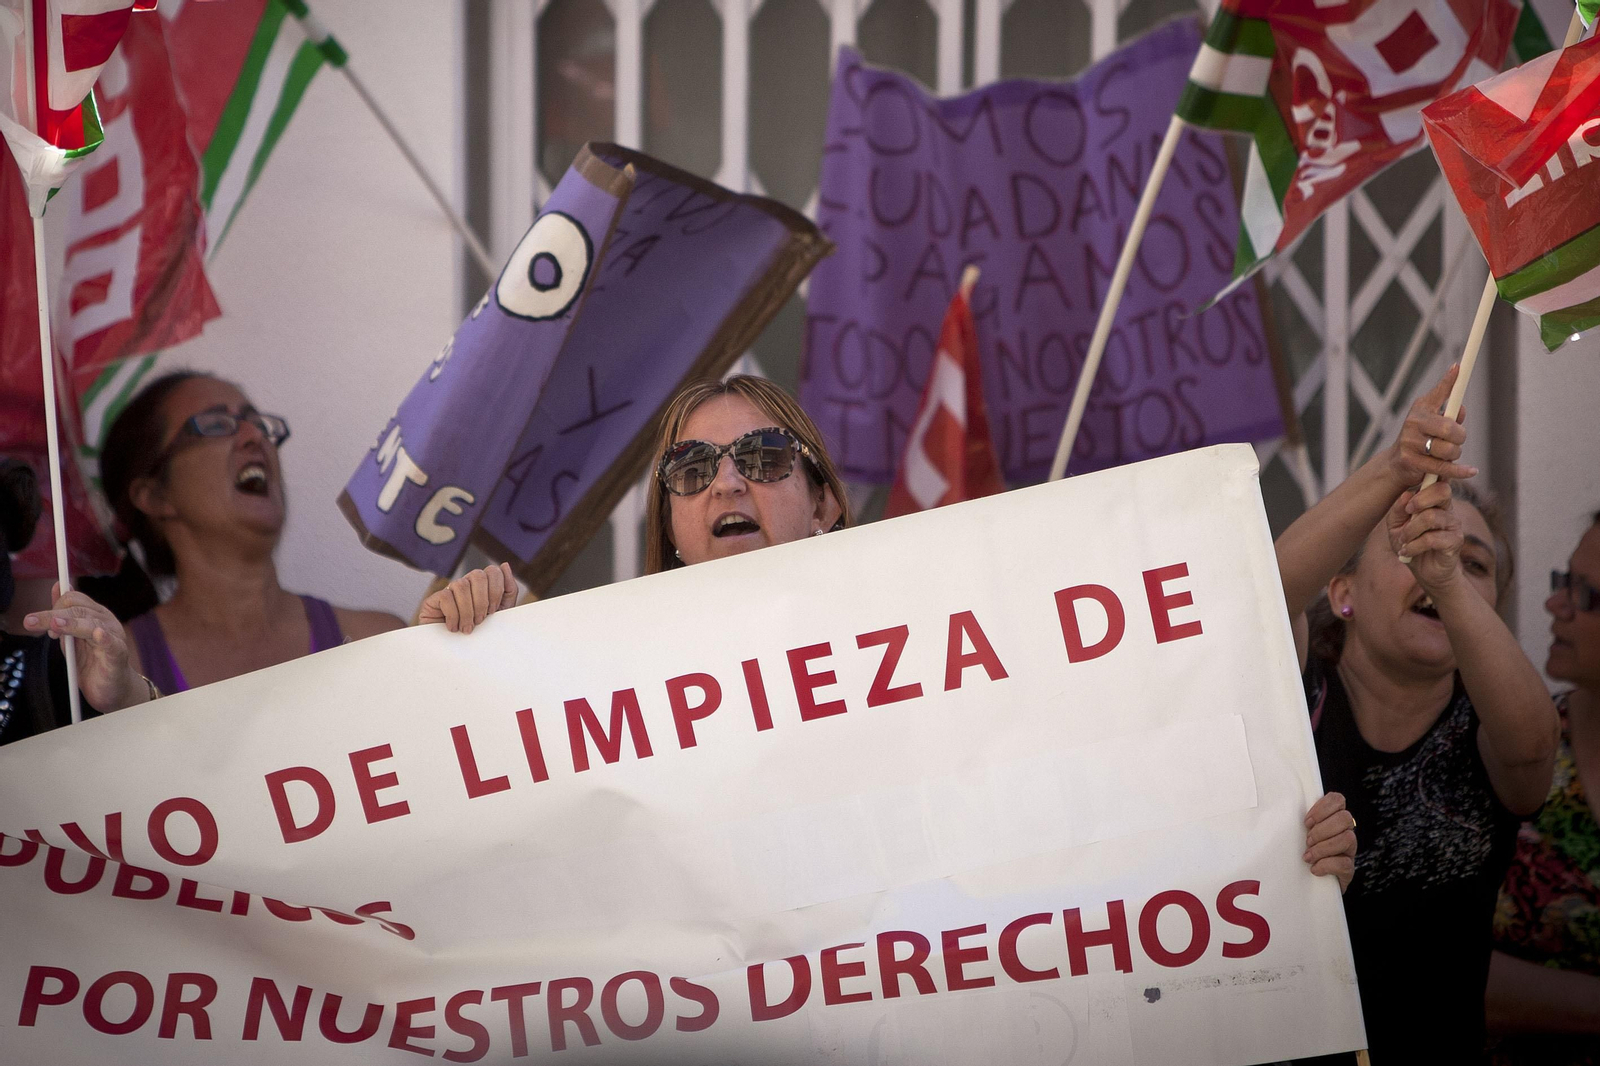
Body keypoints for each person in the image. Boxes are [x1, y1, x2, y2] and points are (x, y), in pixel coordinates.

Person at [426, 374, 1360, 890]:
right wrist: (446, 662)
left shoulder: (945, 650)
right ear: (669, 527)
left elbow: (1089, 790)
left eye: (760, 457)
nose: (727, 483)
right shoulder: (584, 682)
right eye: (692, 469)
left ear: (826, 502)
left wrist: (1264, 853)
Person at [1275, 366, 1559, 1064]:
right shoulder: (1296, 694)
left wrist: (1443, 580)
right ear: (1342, 592)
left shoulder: (1486, 725)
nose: (1442, 561)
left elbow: (1532, 750)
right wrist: (1395, 470)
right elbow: (1264, 588)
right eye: (1409, 545)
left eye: (1477, 565)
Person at [22, 371, 404, 708]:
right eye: (217, 424)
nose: (256, 437)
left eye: (260, 425)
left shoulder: (382, 639)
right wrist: (125, 698)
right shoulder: (116, 668)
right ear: (154, 496)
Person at [1486, 510, 1600, 1064]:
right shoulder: (1520, 749)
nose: (1555, 605)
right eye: (1564, 581)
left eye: (1585, 593)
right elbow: (1441, 961)